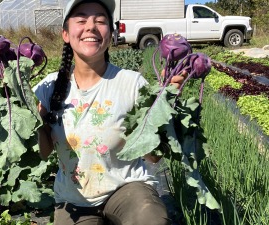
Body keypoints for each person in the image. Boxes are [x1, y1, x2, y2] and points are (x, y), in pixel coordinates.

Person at [33, 0, 184, 224]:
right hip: (74, 200)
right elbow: (43, 153)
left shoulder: (132, 84)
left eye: (100, 21)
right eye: (81, 20)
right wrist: (34, 119)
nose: (91, 26)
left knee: (151, 219)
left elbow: (153, 157)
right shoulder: (48, 88)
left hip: (127, 188)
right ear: (65, 33)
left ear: (111, 34)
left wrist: (164, 106)